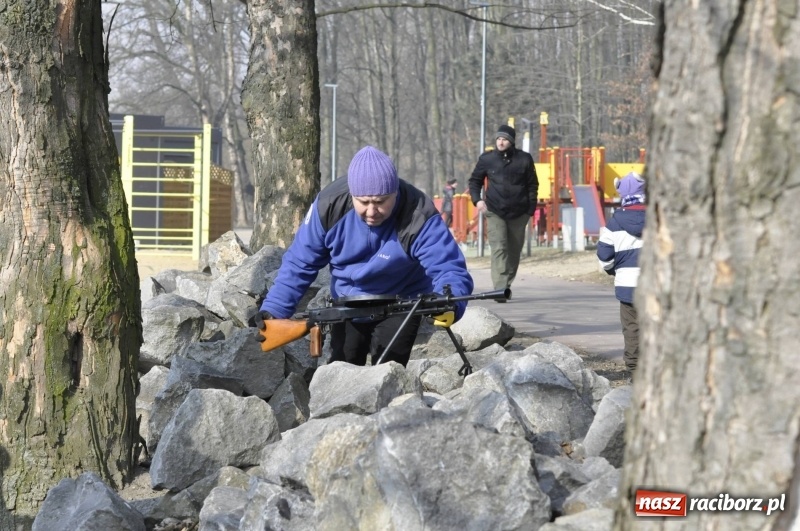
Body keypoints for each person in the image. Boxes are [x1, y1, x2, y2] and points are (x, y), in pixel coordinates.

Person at [257, 146, 474, 367]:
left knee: (390, 369)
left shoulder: (417, 211)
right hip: (346, 301)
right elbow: (299, 262)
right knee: (343, 367)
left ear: (395, 192)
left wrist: (450, 302)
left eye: (381, 202)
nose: (372, 211)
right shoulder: (328, 206)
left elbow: (449, 267)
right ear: (352, 195)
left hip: (403, 301)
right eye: (364, 202)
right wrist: (274, 310)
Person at [468, 124, 538, 301]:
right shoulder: (487, 159)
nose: (500, 142)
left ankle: (506, 284)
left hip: (520, 212)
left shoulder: (524, 159)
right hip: (495, 210)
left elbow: (532, 185)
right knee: (499, 248)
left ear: (511, 141)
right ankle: (499, 289)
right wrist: (478, 200)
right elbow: (475, 181)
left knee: (514, 251)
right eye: (498, 138)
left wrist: (530, 209)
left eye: (504, 139)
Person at [597, 172, 646, 381]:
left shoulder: (613, 224)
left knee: (632, 327)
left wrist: (612, 269)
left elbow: (605, 257)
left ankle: (635, 371)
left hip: (628, 285)